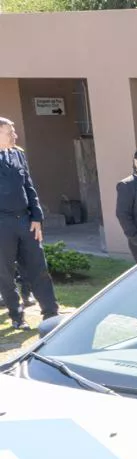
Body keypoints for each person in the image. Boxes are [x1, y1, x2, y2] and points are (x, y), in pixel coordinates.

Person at [0, 116, 57, 330]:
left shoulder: (18, 154)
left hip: (25, 220)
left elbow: (29, 186)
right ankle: (17, 315)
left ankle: (50, 313)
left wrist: (37, 217)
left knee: (38, 265)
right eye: (10, 132)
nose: (15, 135)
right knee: (4, 272)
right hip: (2, 222)